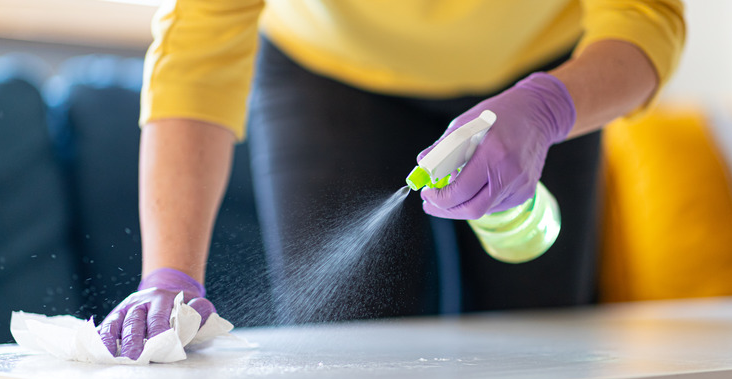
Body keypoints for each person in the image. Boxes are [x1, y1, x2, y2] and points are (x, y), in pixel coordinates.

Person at [98, 0, 685, 360]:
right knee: (344, 366)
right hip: (327, 72)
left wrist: (551, 107)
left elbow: (647, 16)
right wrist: (168, 274)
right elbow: (194, 60)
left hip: (548, 72)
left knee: (543, 354)